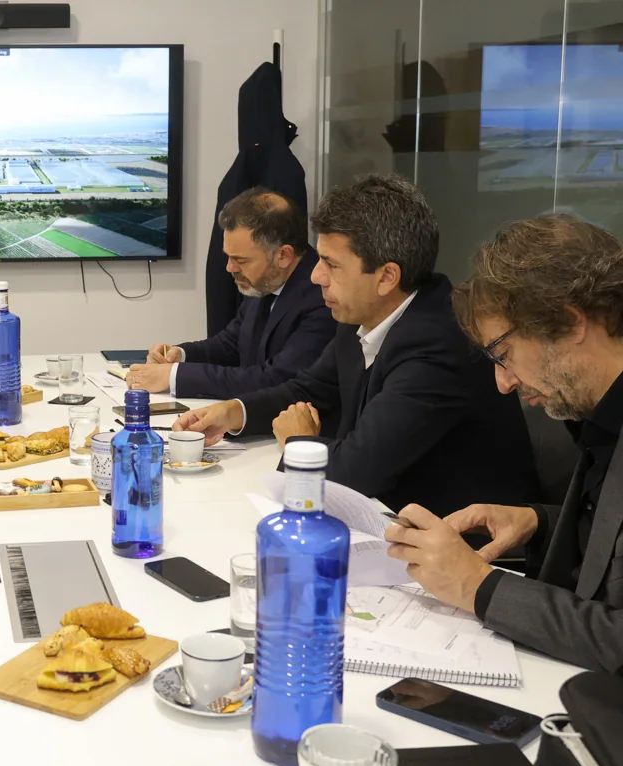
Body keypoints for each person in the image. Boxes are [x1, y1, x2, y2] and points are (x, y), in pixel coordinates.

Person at [173, 173, 537, 516]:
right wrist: (232, 412)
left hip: (464, 549)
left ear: (386, 277)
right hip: (390, 523)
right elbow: (310, 389)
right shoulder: (360, 315)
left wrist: (299, 442)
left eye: (330, 265)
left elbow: (355, 473)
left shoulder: (439, 344)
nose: (316, 277)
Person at [384, 215, 623, 672]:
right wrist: (537, 523)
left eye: (503, 354)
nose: (502, 383)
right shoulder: (600, 412)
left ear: (570, 322)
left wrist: (478, 585)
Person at [126, 188, 334, 398]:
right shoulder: (264, 278)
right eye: (229, 257)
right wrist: (179, 355)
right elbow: (231, 344)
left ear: (283, 255)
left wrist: (174, 376)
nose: (230, 268)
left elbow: (276, 378)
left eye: (241, 260)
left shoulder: (323, 297)